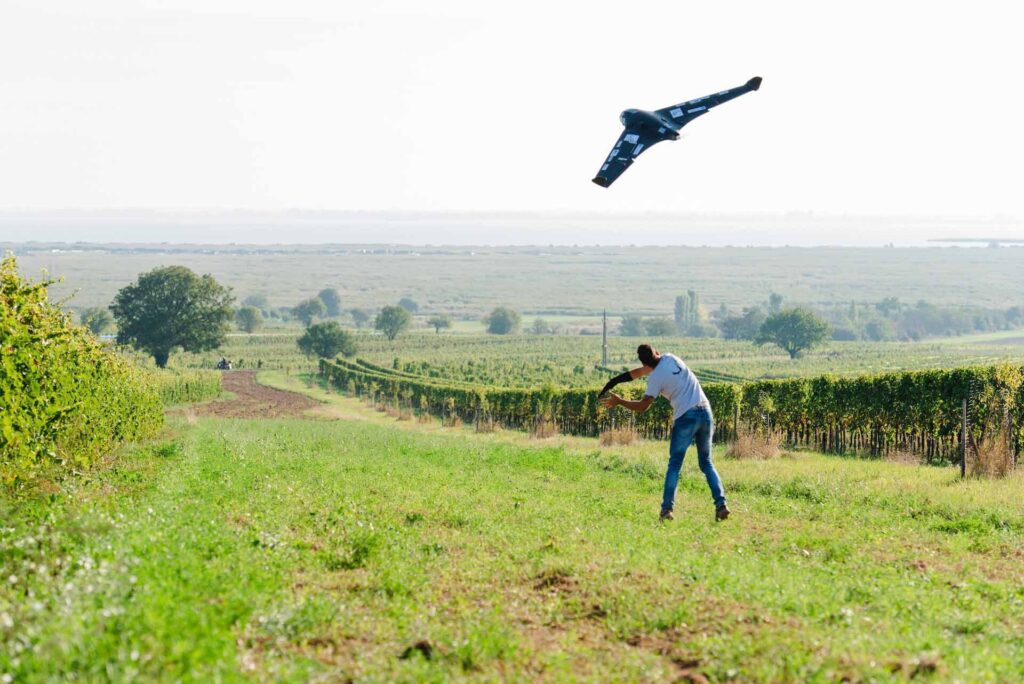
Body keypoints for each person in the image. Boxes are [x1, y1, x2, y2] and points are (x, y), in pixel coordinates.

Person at [599, 344, 730, 522]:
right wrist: (615, 381)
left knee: (675, 465)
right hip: (706, 412)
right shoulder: (671, 357)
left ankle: (666, 510)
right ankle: (721, 505)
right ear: (657, 353)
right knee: (706, 463)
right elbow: (637, 373)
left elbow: (643, 406)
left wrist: (620, 401)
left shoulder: (655, 378)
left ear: (645, 363)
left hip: (686, 416)